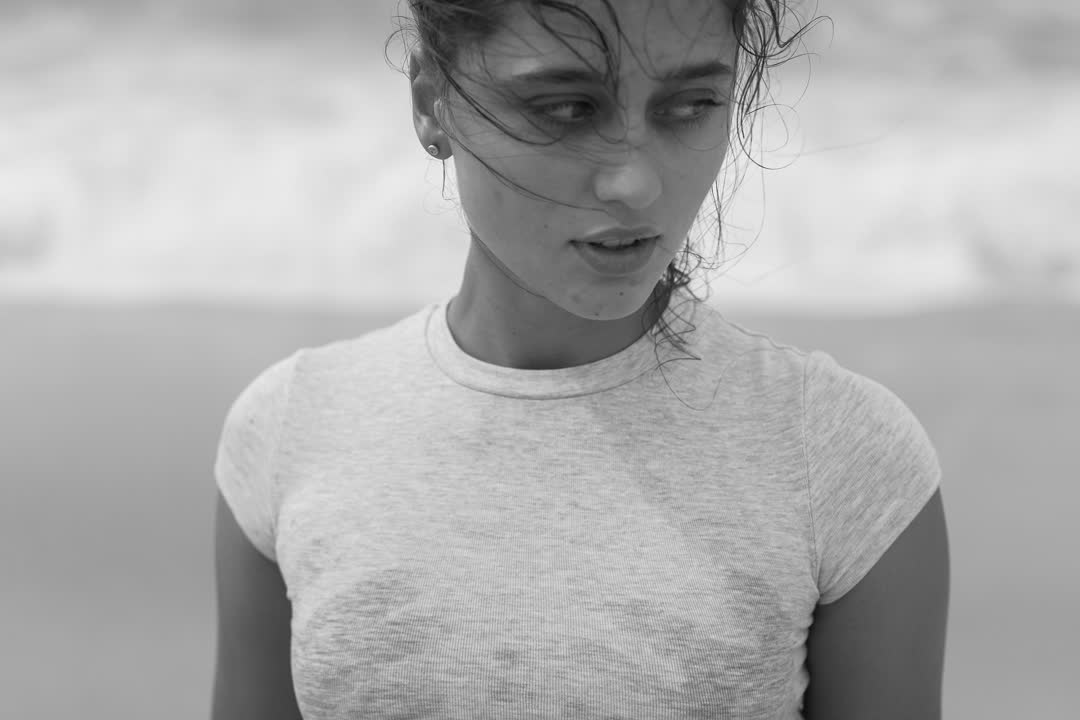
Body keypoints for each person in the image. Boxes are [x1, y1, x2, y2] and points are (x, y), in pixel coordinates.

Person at [213, 0, 950, 718]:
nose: (635, 183)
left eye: (690, 106)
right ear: (432, 102)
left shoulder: (843, 460)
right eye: (566, 109)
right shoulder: (292, 432)